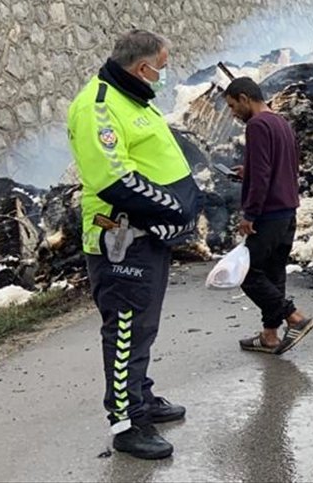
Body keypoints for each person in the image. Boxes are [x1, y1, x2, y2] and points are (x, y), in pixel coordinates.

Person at [66, 29, 201, 459]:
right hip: (119, 241)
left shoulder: (132, 99)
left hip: (146, 238)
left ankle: (140, 395)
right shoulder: (99, 107)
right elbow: (115, 180)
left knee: (142, 329)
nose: (162, 76)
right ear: (142, 68)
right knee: (125, 330)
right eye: (160, 68)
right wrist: (174, 208)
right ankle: (126, 423)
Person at [222, 77, 313, 355]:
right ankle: (270, 336)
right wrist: (247, 171)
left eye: (232, 106)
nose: (232, 113)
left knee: (248, 274)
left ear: (244, 98)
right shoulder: (280, 122)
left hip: (269, 213)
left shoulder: (257, 125)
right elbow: (283, 164)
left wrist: (250, 213)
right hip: (288, 212)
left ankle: (296, 318)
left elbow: (263, 175)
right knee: (274, 274)